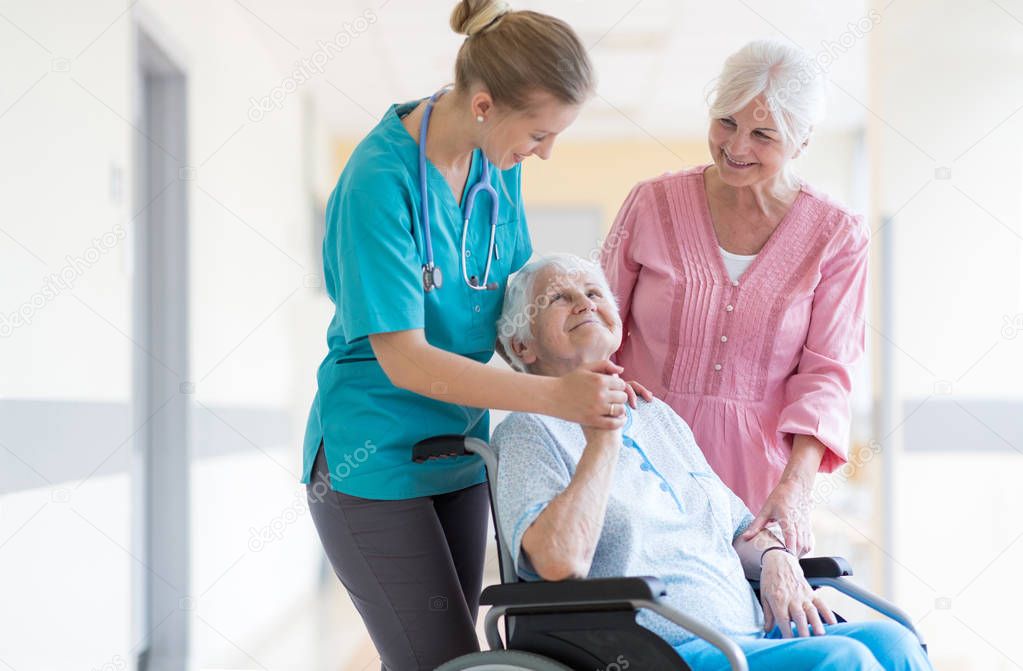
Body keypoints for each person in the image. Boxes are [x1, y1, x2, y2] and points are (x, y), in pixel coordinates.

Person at [300, 3, 650, 668]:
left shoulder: (499, 161)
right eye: (539, 133)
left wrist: (581, 371)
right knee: (441, 660)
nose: (543, 152)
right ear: (485, 104)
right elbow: (403, 359)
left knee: (458, 654)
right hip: (369, 457)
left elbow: (513, 308)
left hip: (459, 449)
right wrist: (557, 400)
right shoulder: (378, 183)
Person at [492, 254, 931, 670]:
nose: (583, 302)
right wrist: (602, 437)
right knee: (841, 662)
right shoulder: (530, 430)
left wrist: (777, 557)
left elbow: (738, 528)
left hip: (750, 634)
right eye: (558, 298)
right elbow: (556, 561)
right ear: (522, 346)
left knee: (895, 641)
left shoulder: (656, 417)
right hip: (660, 651)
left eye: (593, 292)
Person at [601, 39, 870, 555]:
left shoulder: (836, 234)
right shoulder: (652, 203)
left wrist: (796, 487)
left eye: (763, 134)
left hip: (757, 486)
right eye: (726, 122)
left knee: (753, 621)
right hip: (637, 460)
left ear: (801, 141)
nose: (737, 146)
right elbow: (597, 329)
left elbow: (827, 374)